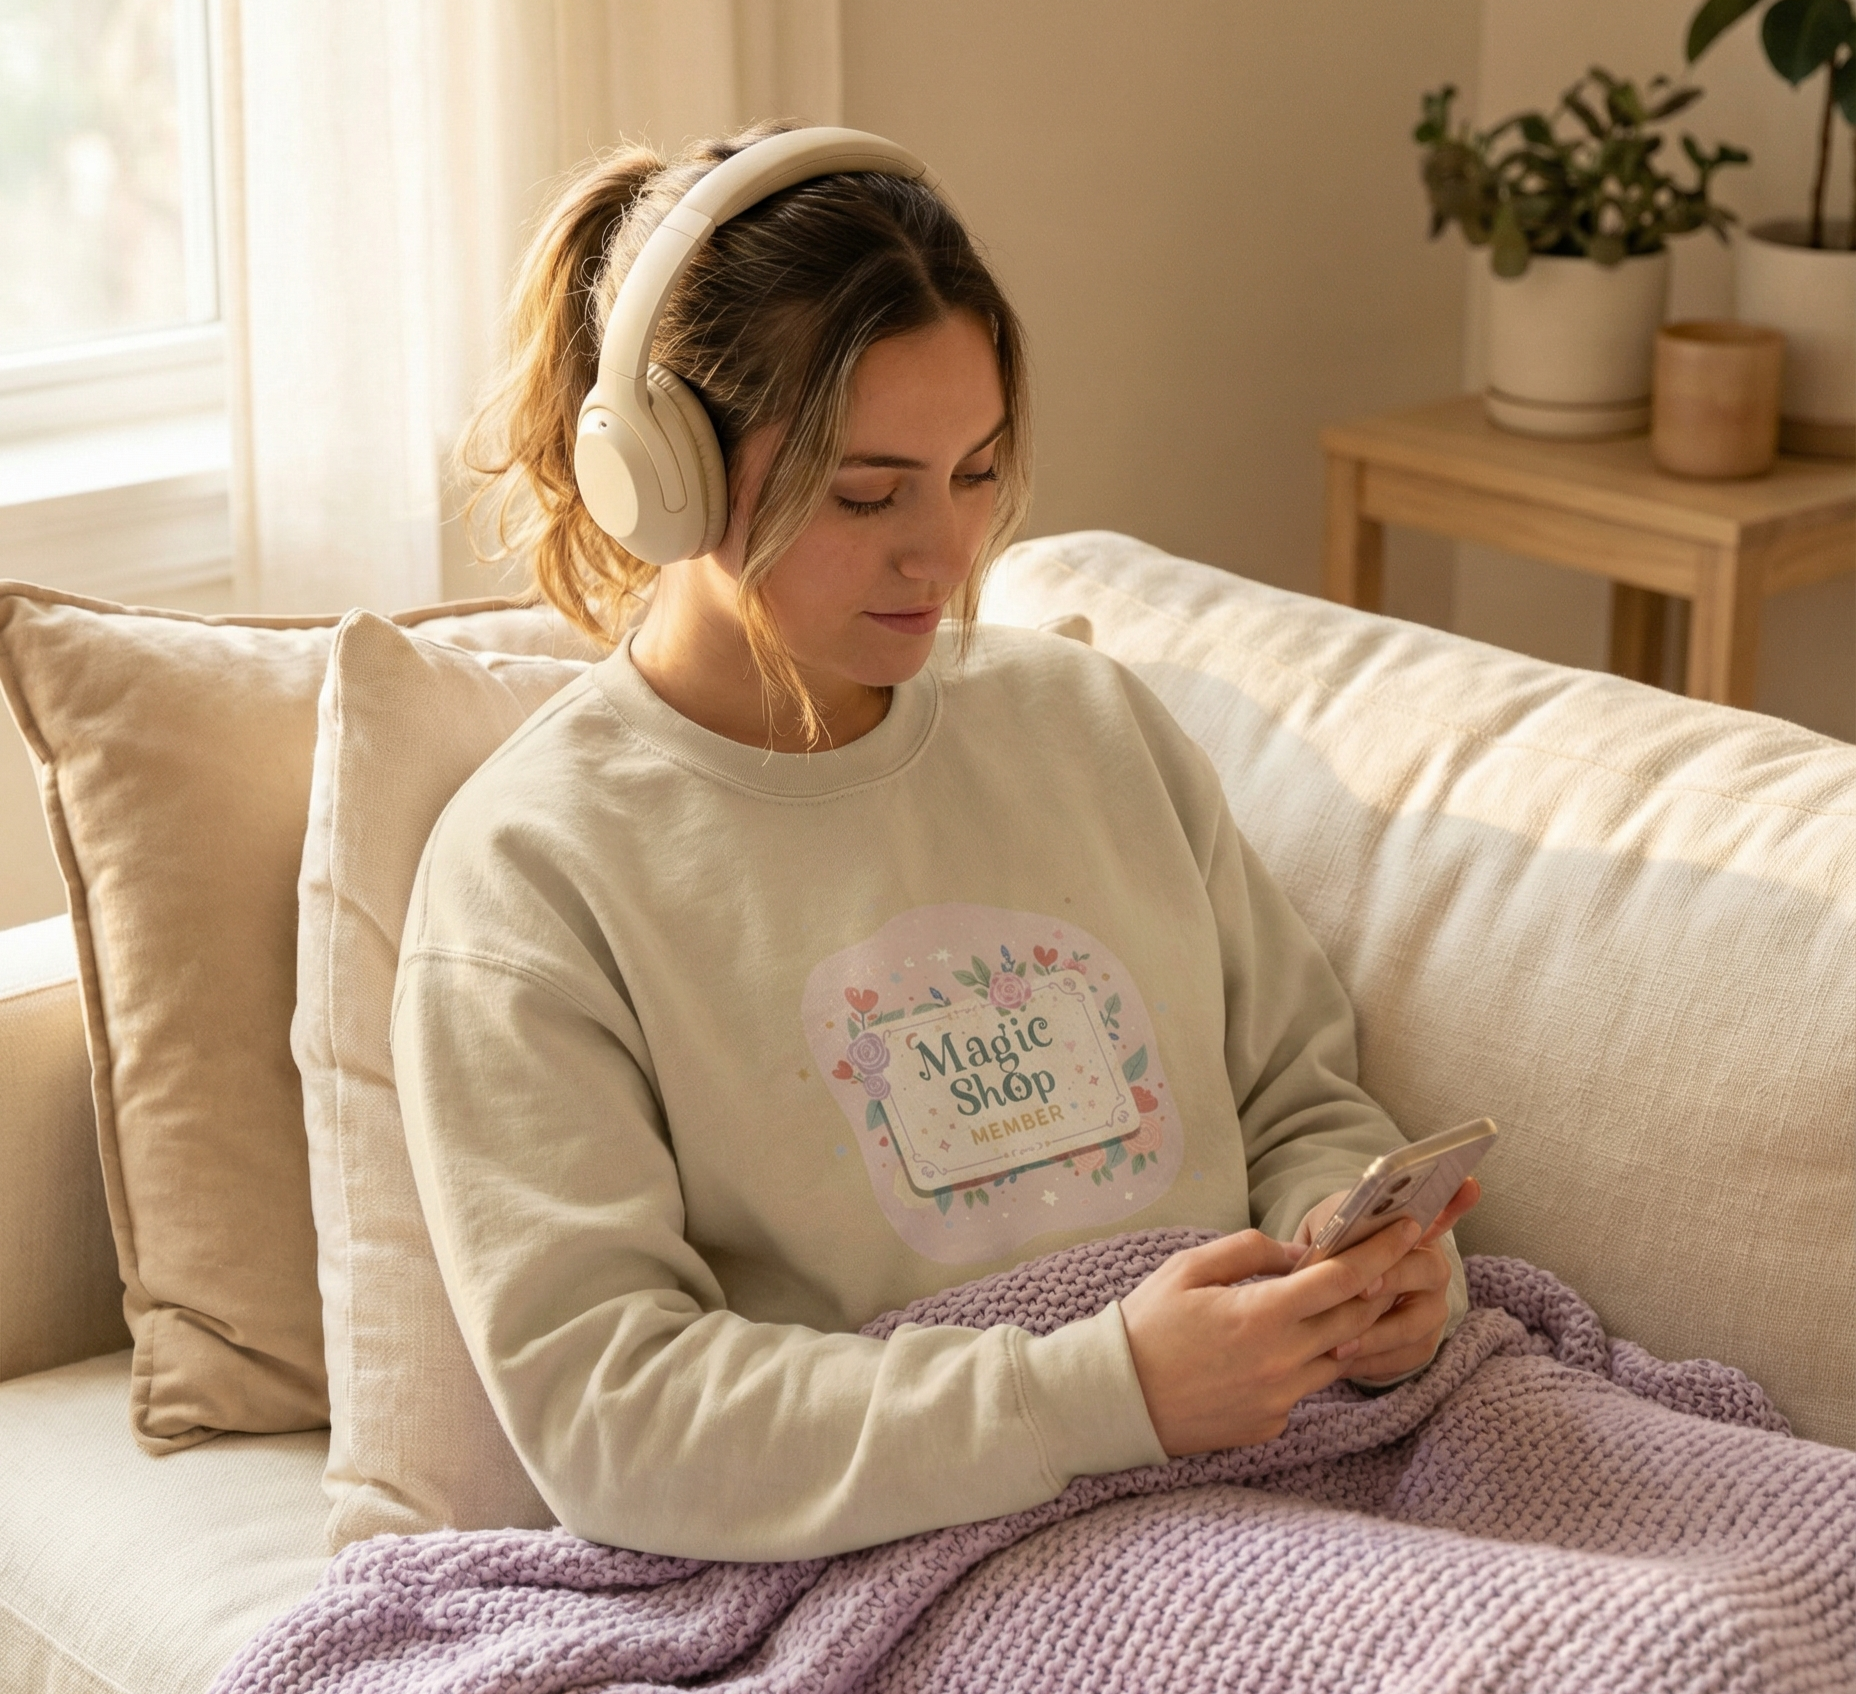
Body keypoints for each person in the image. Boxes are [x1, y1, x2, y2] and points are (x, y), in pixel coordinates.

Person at [391, 124, 1476, 1564]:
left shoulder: (1089, 722)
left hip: (1293, 1450)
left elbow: (1293, 1091)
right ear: (663, 473)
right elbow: (617, 1418)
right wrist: (1107, 1395)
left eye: (976, 472)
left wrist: (1363, 1256)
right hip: (931, 1556)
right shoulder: (534, 873)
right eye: (866, 492)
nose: (948, 552)